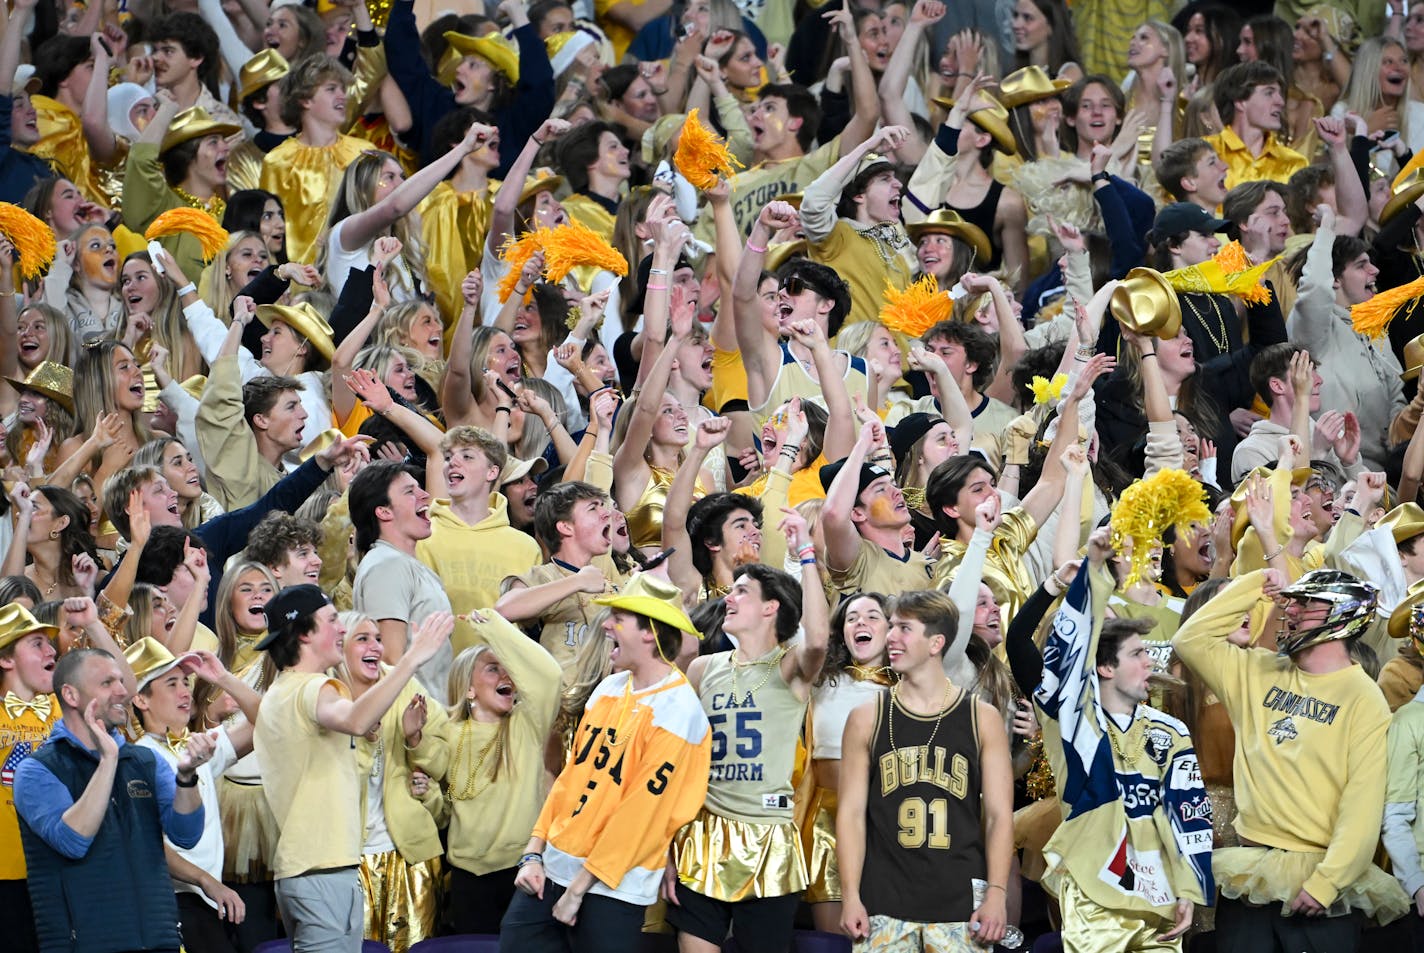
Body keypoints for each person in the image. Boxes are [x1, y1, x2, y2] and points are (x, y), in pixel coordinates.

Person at [1174, 568, 1410, 950]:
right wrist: (1255, 583)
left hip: (1317, 881)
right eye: (1293, 601)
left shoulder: (1364, 698)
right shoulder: (1258, 670)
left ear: (1342, 613)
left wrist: (1327, 883)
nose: (1292, 610)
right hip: (1250, 873)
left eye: (1306, 603)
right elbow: (1190, 638)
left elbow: (1362, 804)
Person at [1017, 529, 1214, 950]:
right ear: (1105, 667)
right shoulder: (1071, 720)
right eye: (1138, 654)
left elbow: (1187, 812)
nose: (1150, 662)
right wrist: (1090, 570)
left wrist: (1190, 884)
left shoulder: (1170, 730)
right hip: (1096, 892)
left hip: (1159, 894)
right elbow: (1058, 652)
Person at [500, 574, 711, 952]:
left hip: (613, 888)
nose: (607, 625)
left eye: (619, 618)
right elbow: (569, 782)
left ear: (649, 634)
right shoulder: (609, 689)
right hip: (549, 869)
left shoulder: (680, 712)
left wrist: (578, 889)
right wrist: (533, 853)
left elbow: (640, 815)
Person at [252, 584, 453, 952]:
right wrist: (412, 658)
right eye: (332, 621)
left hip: (313, 870)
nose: (341, 629)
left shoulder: (281, 691)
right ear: (304, 634)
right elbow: (357, 720)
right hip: (321, 874)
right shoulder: (314, 689)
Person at [668, 556, 829, 953]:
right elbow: (679, 763)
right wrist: (667, 844)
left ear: (771, 607)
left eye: (742, 591)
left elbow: (820, 641)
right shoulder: (702, 668)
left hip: (769, 836)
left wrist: (806, 556)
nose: (729, 599)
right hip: (703, 832)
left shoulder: (790, 668)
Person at [837, 589, 1014, 950]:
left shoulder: (982, 717)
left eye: (904, 628)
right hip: (882, 906)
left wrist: (996, 893)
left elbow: (998, 816)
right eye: (891, 627)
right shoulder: (865, 717)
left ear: (936, 643)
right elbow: (851, 814)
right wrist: (850, 894)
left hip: (960, 908)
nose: (890, 637)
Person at [15, 646, 212, 953]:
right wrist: (108, 760)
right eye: (107, 683)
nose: (122, 692)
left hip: (159, 940)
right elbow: (73, 840)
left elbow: (187, 835)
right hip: (83, 945)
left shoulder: (145, 761)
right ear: (70, 695)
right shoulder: (37, 770)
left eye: (121, 681)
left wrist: (186, 777)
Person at [126, 639, 260, 953]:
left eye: (185, 682)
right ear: (141, 700)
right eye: (171, 684)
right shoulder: (138, 758)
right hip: (174, 903)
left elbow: (265, 721)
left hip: (209, 900)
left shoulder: (196, 746)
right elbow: (150, 844)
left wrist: (223, 678)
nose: (185, 692)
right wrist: (206, 881)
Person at [415, 426, 542, 654]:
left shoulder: (525, 547)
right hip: (436, 683)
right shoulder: (422, 535)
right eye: (447, 457)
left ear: (492, 472)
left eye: (467, 456)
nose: (452, 462)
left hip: (503, 680)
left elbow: (531, 625)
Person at [350, 460, 455, 690]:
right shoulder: (387, 566)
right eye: (410, 491)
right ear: (384, 511)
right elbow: (388, 660)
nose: (425, 495)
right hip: (412, 719)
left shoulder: (404, 564)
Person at [1205, 61, 1307, 189]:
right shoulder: (1203, 154)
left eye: (1280, 94)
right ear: (1240, 101)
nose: (1280, 102)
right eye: (1269, 93)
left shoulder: (1294, 163)